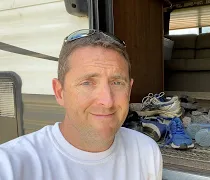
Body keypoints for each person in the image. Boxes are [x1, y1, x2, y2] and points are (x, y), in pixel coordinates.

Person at [0, 29, 163, 180]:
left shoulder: (146, 151)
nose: (107, 101)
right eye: (87, 83)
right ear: (59, 92)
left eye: (117, 82)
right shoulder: (12, 166)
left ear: (129, 89)